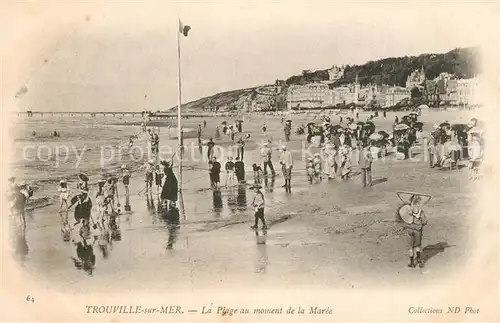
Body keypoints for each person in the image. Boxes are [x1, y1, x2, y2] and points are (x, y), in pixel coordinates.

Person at [402, 196, 428, 268]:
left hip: (409, 230)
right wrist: (420, 223)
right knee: (418, 245)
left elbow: (403, 220)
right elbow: (425, 221)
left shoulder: (407, 210)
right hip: (418, 230)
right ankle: (419, 259)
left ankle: (412, 262)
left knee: (410, 247)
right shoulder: (420, 211)